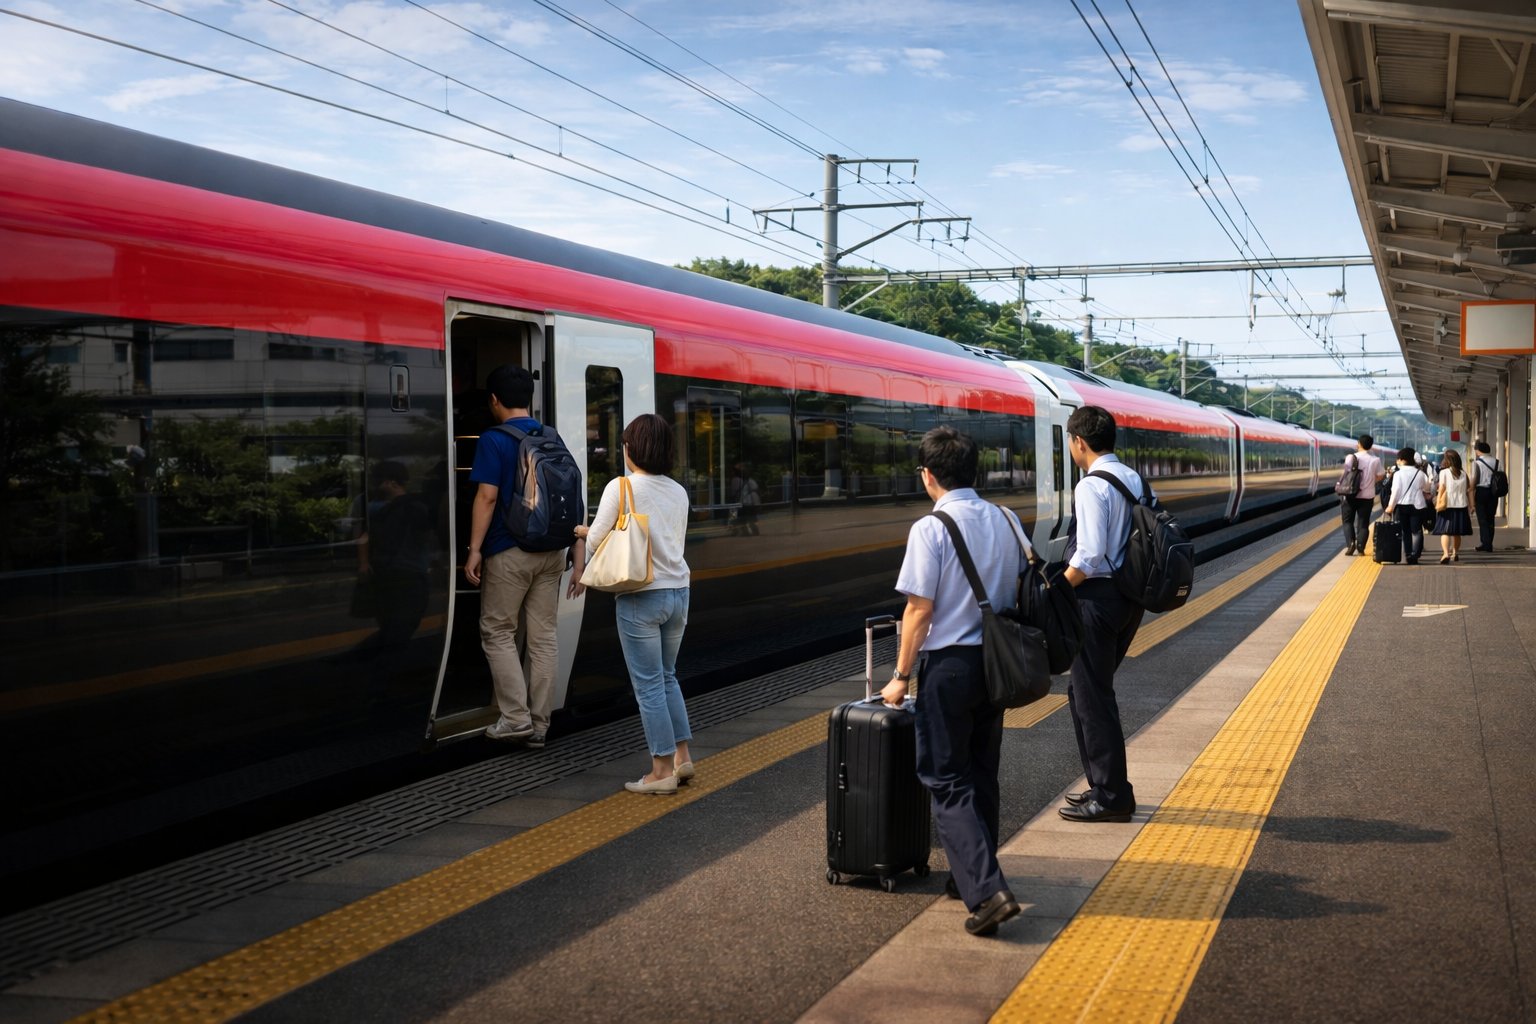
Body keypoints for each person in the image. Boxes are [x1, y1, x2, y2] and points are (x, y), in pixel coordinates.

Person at [879, 426, 1027, 937]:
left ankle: (987, 892)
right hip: (997, 665)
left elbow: (919, 609)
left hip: (950, 667)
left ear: (927, 476)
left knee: (945, 777)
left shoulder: (931, 527)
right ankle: (971, 875)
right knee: (982, 772)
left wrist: (900, 676)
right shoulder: (1008, 519)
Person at [465, 365, 584, 750]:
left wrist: (475, 550)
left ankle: (514, 719)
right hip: (551, 551)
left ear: (494, 400)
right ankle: (539, 724)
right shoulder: (550, 436)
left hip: (510, 550)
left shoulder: (493, 439)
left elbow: (486, 497)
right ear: (529, 400)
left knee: (497, 631)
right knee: (543, 638)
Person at [576, 413, 695, 795]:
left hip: (641, 596)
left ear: (630, 449)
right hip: (678, 591)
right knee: (667, 676)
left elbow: (595, 541)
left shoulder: (621, 487)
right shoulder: (679, 491)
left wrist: (581, 530)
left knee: (647, 687)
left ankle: (660, 772)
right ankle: (682, 757)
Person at [1056, 406, 1145, 825]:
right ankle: (1101, 784)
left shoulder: (1091, 486)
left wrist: (1054, 588)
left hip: (1096, 601)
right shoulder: (1133, 478)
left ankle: (1112, 796)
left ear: (1079, 442)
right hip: (1128, 599)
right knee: (1086, 694)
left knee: (1093, 698)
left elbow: (1088, 556)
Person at [353, 460, 432, 656]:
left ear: (392, 483)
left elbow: (362, 537)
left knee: (390, 629)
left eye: (379, 481)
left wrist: (364, 564)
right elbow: (427, 539)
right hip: (412, 575)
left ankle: (369, 663)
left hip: (384, 574)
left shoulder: (370, 507)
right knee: (399, 631)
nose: (375, 485)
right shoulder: (419, 507)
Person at [1338, 434, 1385, 556]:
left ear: (1359, 444)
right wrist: (1371, 480)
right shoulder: (1375, 460)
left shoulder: (1351, 457)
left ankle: (1350, 544)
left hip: (1350, 494)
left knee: (1347, 521)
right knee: (1363, 523)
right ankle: (1360, 547)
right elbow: (1381, 475)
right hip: (1367, 496)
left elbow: (1347, 473)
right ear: (1370, 446)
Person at [1383, 446, 1431, 565]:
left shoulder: (1398, 474)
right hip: (1417, 505)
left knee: (1405, 531)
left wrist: (1390, 507)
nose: (1397, 461)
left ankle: (1408, 554)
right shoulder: (1420, 473)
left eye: (1398, 459)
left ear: (1403, 460)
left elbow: (1396, 491)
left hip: (1401, 505)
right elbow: (1427, 487)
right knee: (1417, 531)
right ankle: (1415, 555)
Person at [1431, 448, 1473, 564]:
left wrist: (1438, 502)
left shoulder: (1444, 472)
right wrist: (1471, 505)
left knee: (1445, 531)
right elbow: (1467, 490)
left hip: (1447, 505)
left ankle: (1445, 554)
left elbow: (1442, 489)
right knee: (1456, 532)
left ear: (1447, 460)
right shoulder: (1464, 474)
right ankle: (1455, 553)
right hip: (1461, 505)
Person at [1470, 440, 1499, 552]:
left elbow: (1475, 479)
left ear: (1479, 451)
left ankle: (1486, 544)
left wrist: (1470, 491)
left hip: (1481, 492)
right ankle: (1488, 542)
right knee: (1490, 518)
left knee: (1482, 519)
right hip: (1493, 493)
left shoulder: (1477, 463)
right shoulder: (1497, 462)